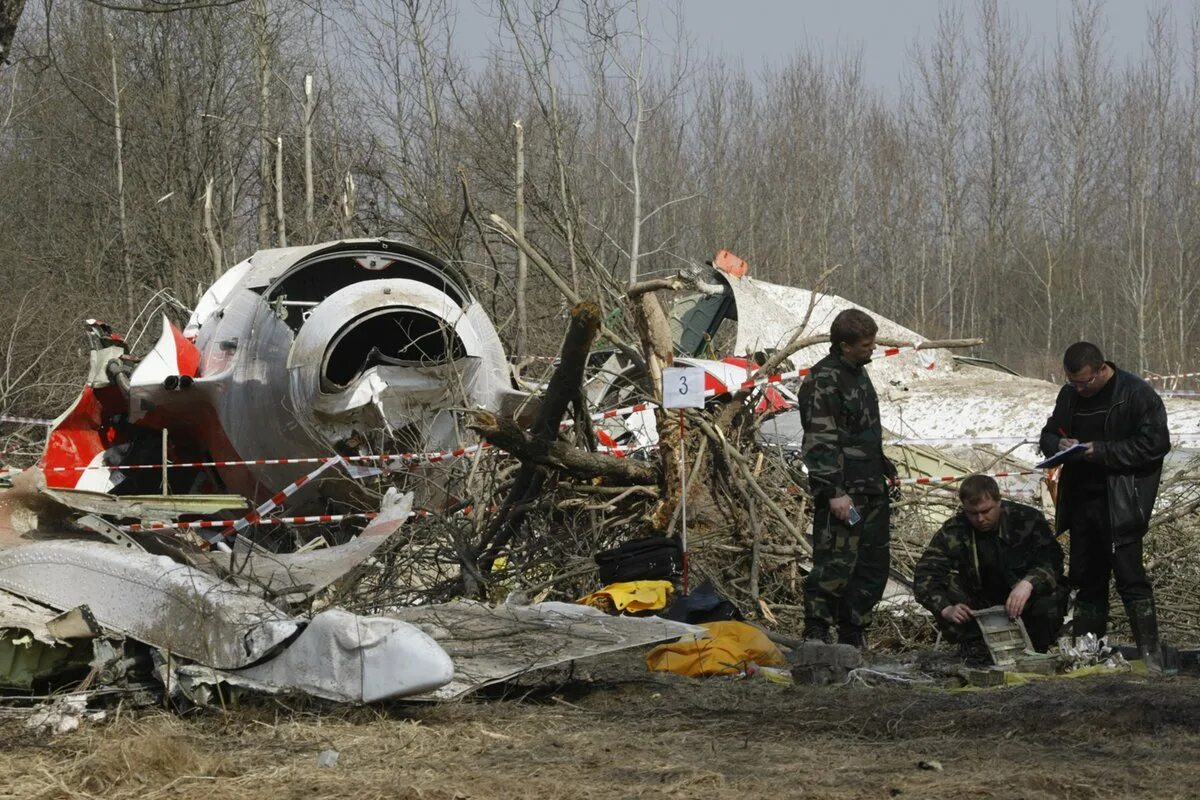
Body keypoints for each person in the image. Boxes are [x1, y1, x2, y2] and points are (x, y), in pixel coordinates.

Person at [1039, 341, 1170, 659]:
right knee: (1086, 581)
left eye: (1084, 382)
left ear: (1101, 369)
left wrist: (1104, 451)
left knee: (1130, 579)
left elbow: (1155, 444)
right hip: (1081, 503)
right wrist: (1059, 443)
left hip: (1121, 502)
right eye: (1073, 382)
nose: (1079, 389)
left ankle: (1150, 655)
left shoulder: (1136, 394)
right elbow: (1047, 434)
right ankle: (1088, 654)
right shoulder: (1069, 395)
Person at [796, 308, 895, 647]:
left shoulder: (858, 374)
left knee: (871, 562)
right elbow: (820, 439)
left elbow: (859, 430)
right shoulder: (823, 381)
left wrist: (881, 463)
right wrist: (834, 491)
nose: (872, 349)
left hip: (871, 489)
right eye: (866, 345)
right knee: (836, 561)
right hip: (845, 494)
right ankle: (817, 630)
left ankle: (854, 630)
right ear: (844, 345)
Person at [913, 475, 1068, 655]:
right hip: (979, 602)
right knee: (948, 585)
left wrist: (1029, 583)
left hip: (1023, 599)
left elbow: (1052, 559)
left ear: (999, 502)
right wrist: (946, 609)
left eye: (986, 511)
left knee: (1051, 595)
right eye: (972, 513)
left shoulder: (1026, 519)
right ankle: (975, 645)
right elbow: (925, 575)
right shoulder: (954, 530)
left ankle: (1039, 644)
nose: (980, 519)